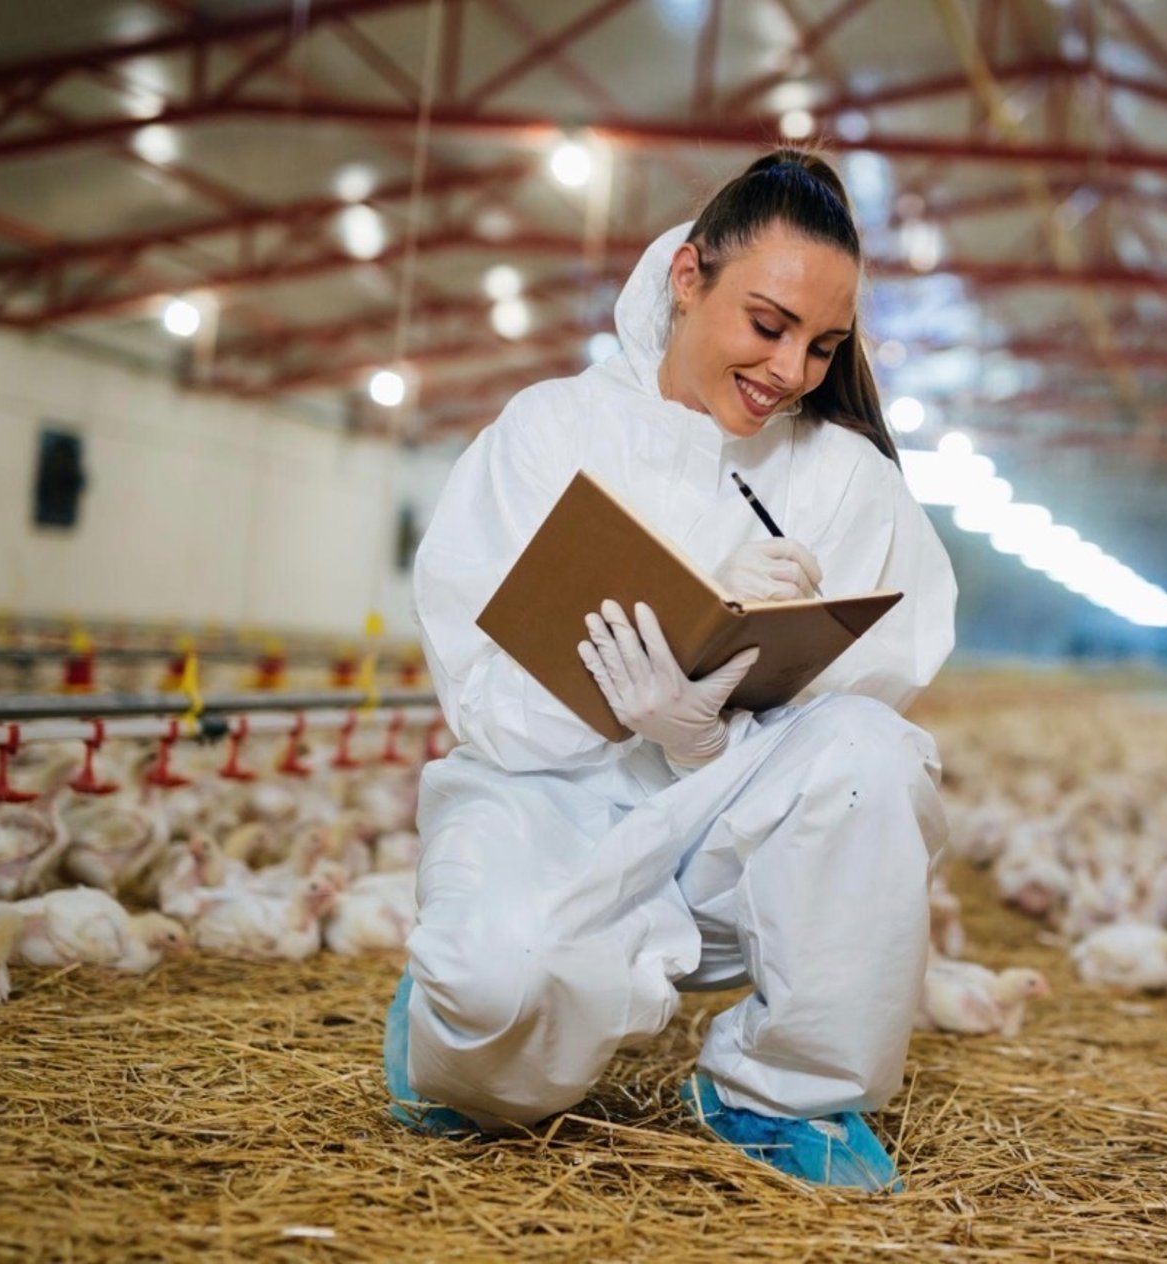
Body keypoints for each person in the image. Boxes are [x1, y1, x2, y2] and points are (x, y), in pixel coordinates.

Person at [385, 149, 958, 1194]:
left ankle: (781, 1092)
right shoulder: (553, 432)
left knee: (878, 756)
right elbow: (487, 702)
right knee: (495, 998)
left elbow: (864, 703)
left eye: (824, 347)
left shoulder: (840, 475)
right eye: (769, 325)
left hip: (722, 815)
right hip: (548, 799)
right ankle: (452, 1023)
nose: (792, 372)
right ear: (689, 276)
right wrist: (626, 692)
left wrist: (709, 737)